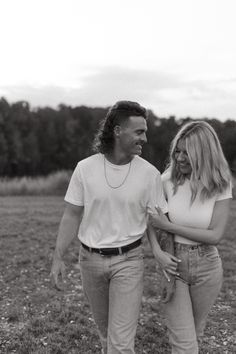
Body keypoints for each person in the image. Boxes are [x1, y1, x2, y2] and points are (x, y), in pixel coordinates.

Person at [50, 100, 177, 354]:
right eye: (139, 132)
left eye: (146, 131)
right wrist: (57, 256)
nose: (145, 138)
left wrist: (166, 264)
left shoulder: (149, 174)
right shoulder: (85, 169)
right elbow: (72, 214)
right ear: (118, 131)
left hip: (128, 261)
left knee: (120, 343)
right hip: (89, 260)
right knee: (106, 336)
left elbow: (162, 223)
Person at [148, 121, 232, 354]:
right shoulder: (166, 181)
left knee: (194, 334)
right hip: (173, 262)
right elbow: (153, 224)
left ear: (204, 153)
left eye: (188, 152)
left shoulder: (221, 184)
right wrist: (158, 253)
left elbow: (214, 235)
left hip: (208, 266)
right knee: (184, 344)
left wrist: (170, 226)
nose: (180, 158)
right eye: (178, 150)